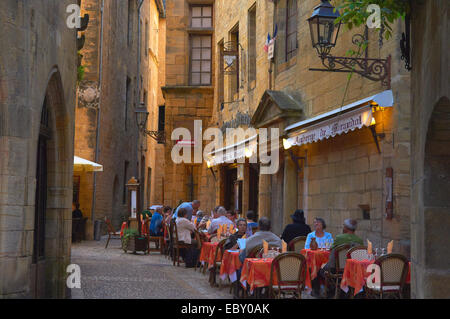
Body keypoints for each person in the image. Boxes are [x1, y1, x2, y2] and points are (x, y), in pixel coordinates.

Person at [316, 219, 364, 298]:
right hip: (353, 270)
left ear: (346, 228)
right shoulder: (359, 240)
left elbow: (330, 250)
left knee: (320, 268)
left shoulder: (339, 238)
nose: (343, 228)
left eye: (344, 226)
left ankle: (325, 292)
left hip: (337, 269)